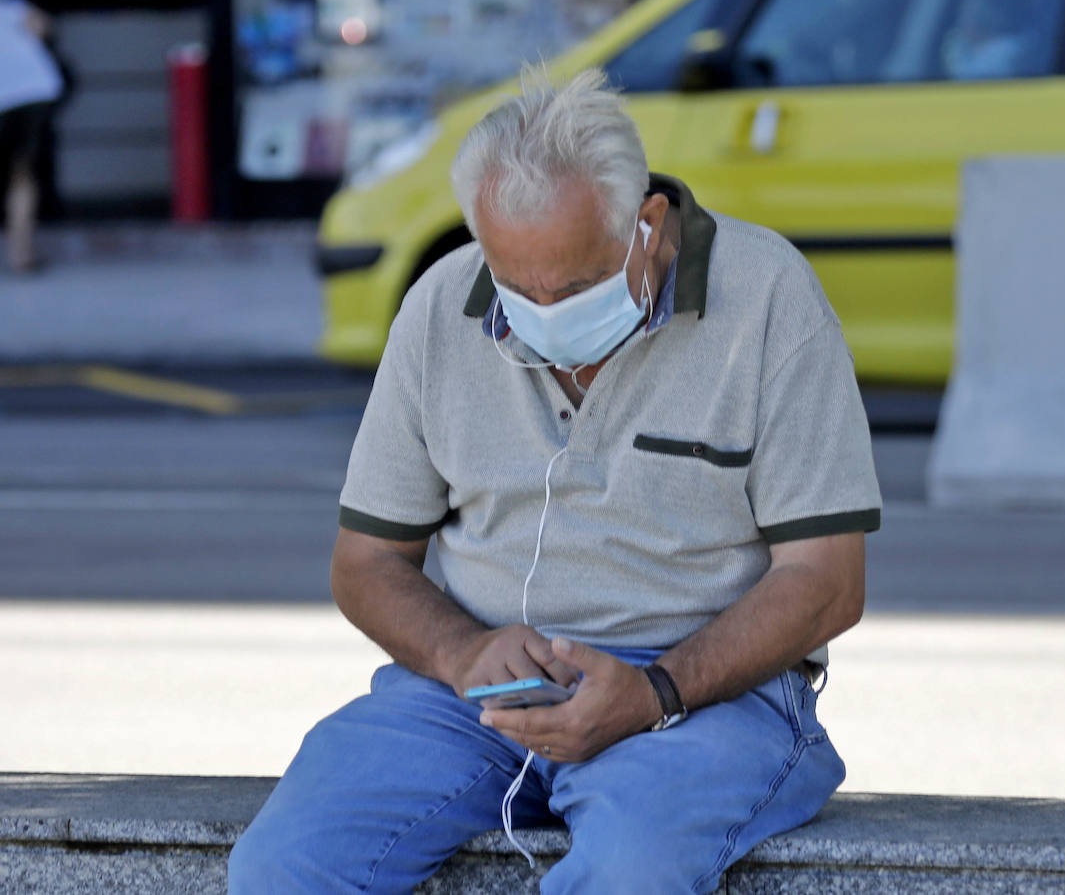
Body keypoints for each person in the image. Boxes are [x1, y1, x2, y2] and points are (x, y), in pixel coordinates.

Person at [229, 65, 881, 894]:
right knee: (285, 861)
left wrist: (653, 691)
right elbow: (365, 564)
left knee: (626, 871)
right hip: (477, 692)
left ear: (646, 224)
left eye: (574, 287)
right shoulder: (439, 307)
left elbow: (827, 582)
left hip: (708, 696)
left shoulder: (769, 297)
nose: (543, 310)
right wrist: (462, 651)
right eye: (517, 286)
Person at [0, 0, 62, 274]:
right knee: (22, 174)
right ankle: (20, 255)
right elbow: (43, 29)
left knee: (21, 173)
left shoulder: (15, 7)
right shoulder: (15, 8)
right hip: (32, 93)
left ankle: (21, 254)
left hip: (25, 95)